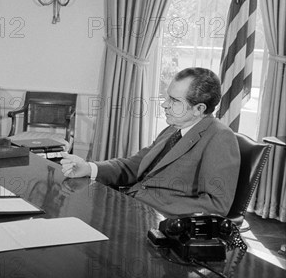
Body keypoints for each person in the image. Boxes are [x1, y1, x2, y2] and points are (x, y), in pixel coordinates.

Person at [61, 67, 240, 218]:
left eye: (174, 100)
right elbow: (134, 165)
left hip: (156, 222)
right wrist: (89, 168)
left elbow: (216, 205)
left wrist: (152, 210)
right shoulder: (174, 128)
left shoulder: (220, 138)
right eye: (168, 97)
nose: (164, 105)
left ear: (199, 109)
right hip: (130, 207)